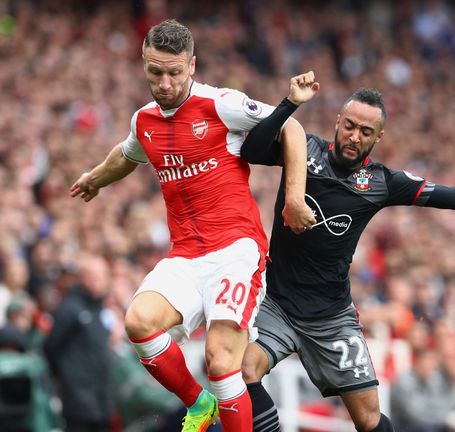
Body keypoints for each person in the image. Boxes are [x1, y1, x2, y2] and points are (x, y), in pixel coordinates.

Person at [238, 83, 455, 432]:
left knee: (369, 419)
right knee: (243, 372)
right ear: (338, 121)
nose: (354, 136)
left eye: (366, 132)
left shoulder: (383, 182)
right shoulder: (304, 148)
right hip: (276, 303)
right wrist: (290, 103)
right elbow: (252, 148)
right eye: (350, 125)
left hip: (330, 318)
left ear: (378, 137)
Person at [69, 19, 316, 431]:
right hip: (186, 255)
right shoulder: (144, 120)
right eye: (155, 72)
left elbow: (292, 127)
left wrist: (293, 197)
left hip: (236, 251)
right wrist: (95, 177)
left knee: (220, 361)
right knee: (138, 322)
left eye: (174, 72)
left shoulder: (220, 105)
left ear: (193, 65)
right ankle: (199, 404)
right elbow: (127, 154)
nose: (164, 83)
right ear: (144, 64)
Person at [42, 253, 114, 432]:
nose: (100, 282)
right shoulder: (70, 308)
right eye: (95, 277)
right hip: (78, 397)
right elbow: (50, 346)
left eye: (103, 276)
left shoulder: (100, 308)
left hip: (101, 396)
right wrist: (66, 376)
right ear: (83, 278)